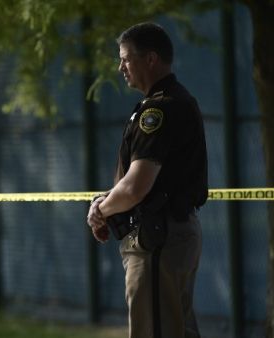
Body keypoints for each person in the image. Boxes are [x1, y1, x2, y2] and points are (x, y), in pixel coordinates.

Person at [86, 22, 208, 338]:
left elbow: (135, 186)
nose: (120, 67)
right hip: (169, 234)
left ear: (150, 59)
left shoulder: (159, 110)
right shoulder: (172, 101)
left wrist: (101, 208)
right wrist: (110, 201)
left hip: (158, 239)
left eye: (126, 59)